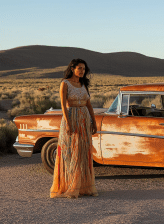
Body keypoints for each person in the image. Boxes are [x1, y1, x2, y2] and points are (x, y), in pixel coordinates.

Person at [50, 58, 98, 198]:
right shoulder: (65, 84)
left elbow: (88, 104)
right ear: (72, 69)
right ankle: (70, 186)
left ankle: (83, 186)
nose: (82, 71)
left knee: (83, 152)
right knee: (71, 153)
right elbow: (63, 106)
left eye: (84, 69)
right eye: (80, 68)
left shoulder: (83, 84)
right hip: (71, 118)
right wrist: (69, 123)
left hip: (84, 119)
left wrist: (94, 122)